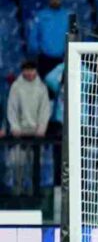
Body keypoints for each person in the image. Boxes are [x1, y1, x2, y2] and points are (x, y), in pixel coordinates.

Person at [5, 61, 51, 194]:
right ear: (23, 71)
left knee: (35, 167)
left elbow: (45, 109)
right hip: (20, 134)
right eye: (27, 70)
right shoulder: (16, 87)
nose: (30, 73)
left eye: (32, 70)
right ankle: (17, 193)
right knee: (17, 165)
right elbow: (11, 109)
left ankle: (33, 194)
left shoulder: (41, 87)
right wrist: (14, 126)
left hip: (36, 133)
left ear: (35, 71)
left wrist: (42, 128)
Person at [29, 0, 70, 77]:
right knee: (44, 86)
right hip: (44, 58)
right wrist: (37, 49)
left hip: (62, 58)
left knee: (60, 86)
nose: (55, 1)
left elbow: (74, 35)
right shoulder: (40, 15)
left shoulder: (68, 15)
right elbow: (33, 34)